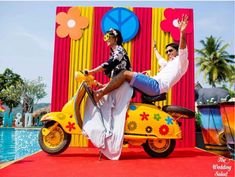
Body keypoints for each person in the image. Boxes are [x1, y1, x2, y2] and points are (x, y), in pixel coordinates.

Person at [94, 14, 189, 102]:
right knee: (126, 78)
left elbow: (182, 48)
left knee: (124, 73)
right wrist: (155, 49)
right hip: (153, 84)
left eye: (170, 51)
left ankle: (100, 94)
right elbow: (160, 59)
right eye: (166, 52)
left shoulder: (181, 62)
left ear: (177, 51)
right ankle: (104, 87)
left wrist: (182, 32)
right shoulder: (168, 64)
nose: (168, 53)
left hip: (155, 86)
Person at [82, 28, 133, 160]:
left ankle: (112, 145)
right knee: (104, 109)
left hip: (123, 88)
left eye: (108, 37)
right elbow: (113, 76)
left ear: (115, 38)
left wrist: (92, 71)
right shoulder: (114, 52)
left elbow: (108, 65)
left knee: (116, 116)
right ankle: (104, 140)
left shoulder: (120, 50)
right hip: (117, 86)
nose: (106, 39)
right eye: (105, 37)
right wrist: (101, 84)